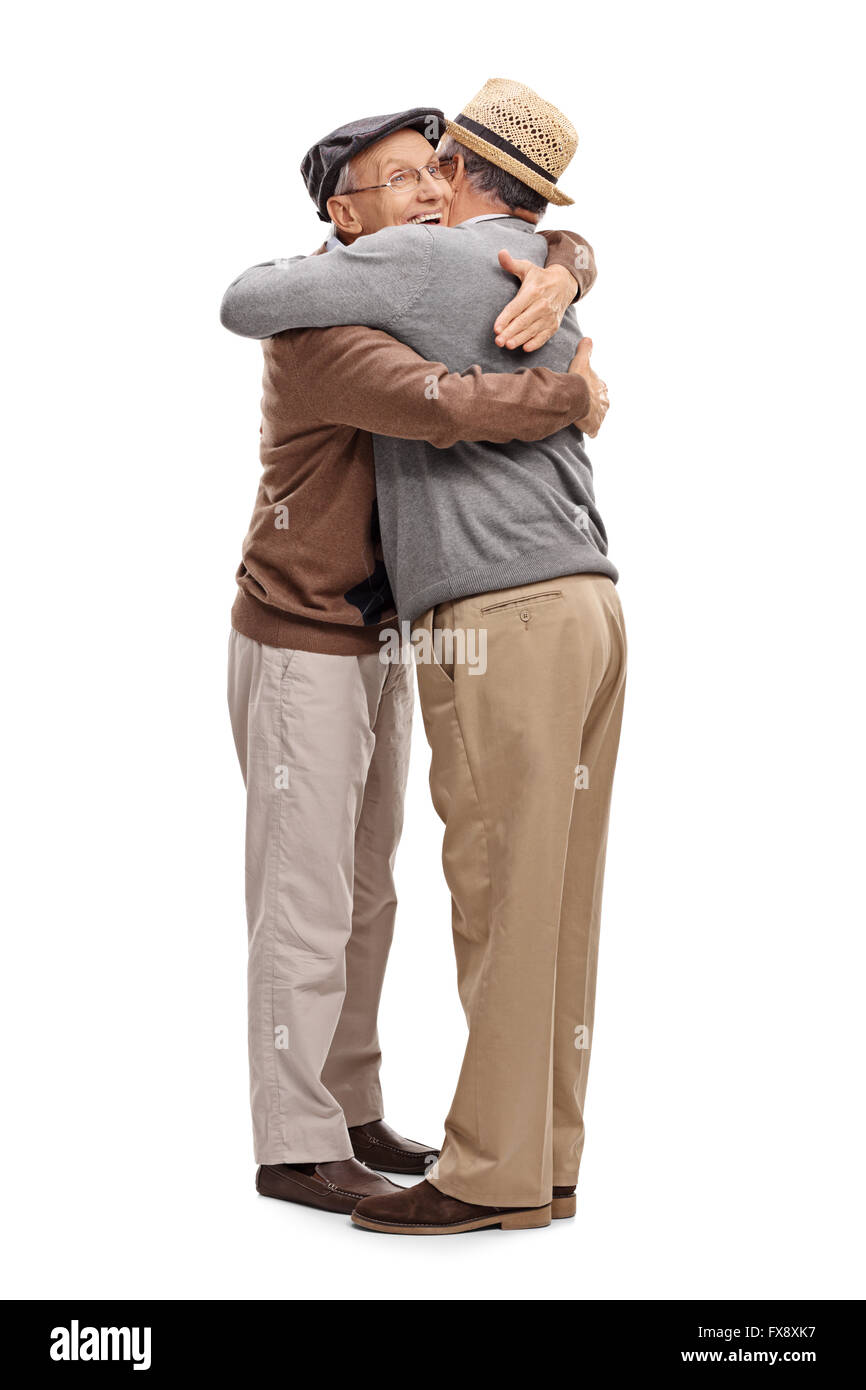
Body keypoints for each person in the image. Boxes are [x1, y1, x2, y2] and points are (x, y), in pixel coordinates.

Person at [222, 102, 607, 1217]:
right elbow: (437, 406)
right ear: (343, 218)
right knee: (302, 894)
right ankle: (293, 1145)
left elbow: (533, 251)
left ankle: (345, 1106)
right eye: (397, 184)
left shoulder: (416, 282)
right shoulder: (327, 326)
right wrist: (570, 393)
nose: (428, 196)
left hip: (378, 631)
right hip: (301, 631)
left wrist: (568, 268)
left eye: (430, 176)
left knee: (364, 889)